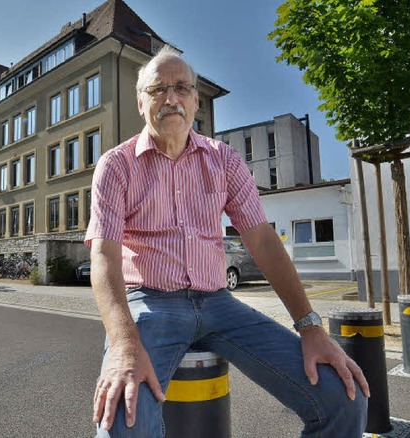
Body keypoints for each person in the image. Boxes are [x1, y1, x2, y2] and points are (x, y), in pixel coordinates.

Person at [85, 46, 369, 438]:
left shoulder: (224, 160)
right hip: (150, 305)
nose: (171, 98)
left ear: (195, 100)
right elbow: (103, 256)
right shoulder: (116, 165)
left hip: (220, 305)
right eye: (158, 90)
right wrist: (123, 344)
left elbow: (263, 240)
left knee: (343, 397)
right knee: (123, 418)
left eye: (182, 88)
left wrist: (311, 328)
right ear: (140, 101)